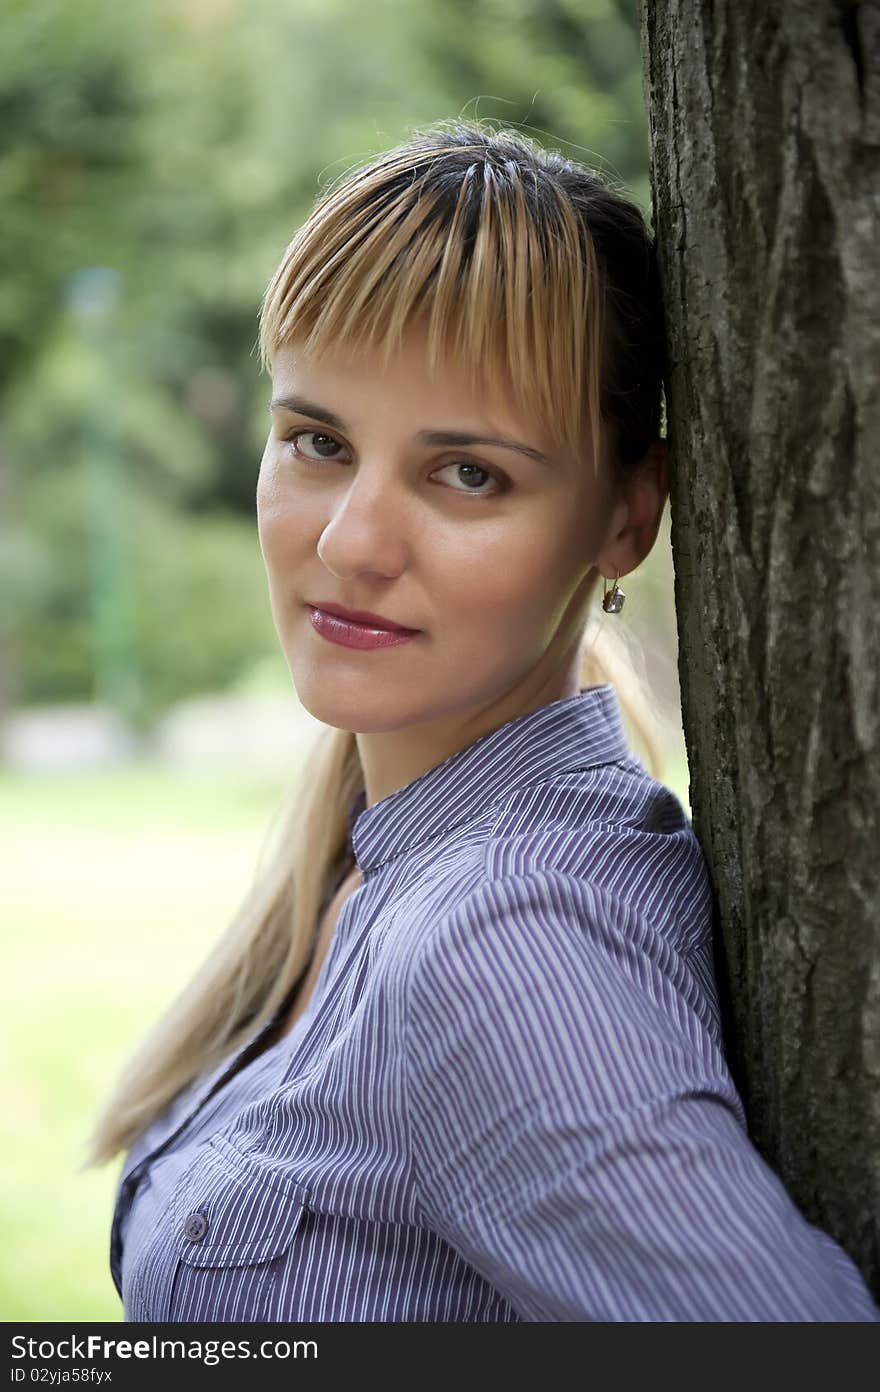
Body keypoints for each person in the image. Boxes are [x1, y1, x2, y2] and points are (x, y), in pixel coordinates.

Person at [83, 120, 879, 1322]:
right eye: (317, 441)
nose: (349, 542)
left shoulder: (501, 939)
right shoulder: (370, 849)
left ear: (624, 517)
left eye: (468, 474)